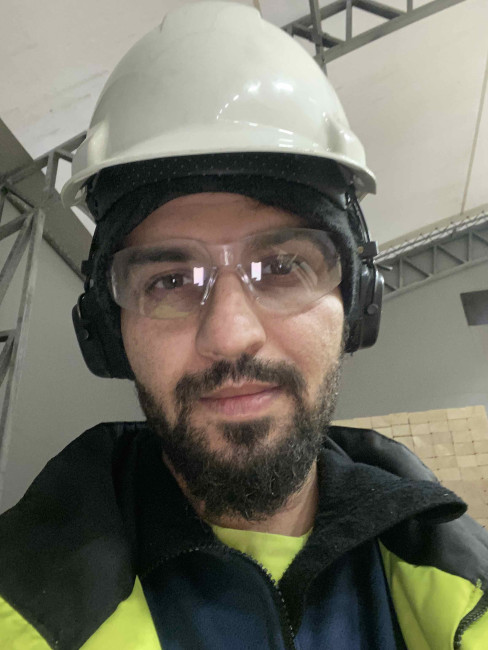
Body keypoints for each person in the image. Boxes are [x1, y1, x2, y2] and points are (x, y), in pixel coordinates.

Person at [1, 2, 487, 649]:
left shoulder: (468, 589)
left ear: (357, 301)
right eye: (170, 280)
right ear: (107, 330)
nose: (229, 336)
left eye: (282, 267)